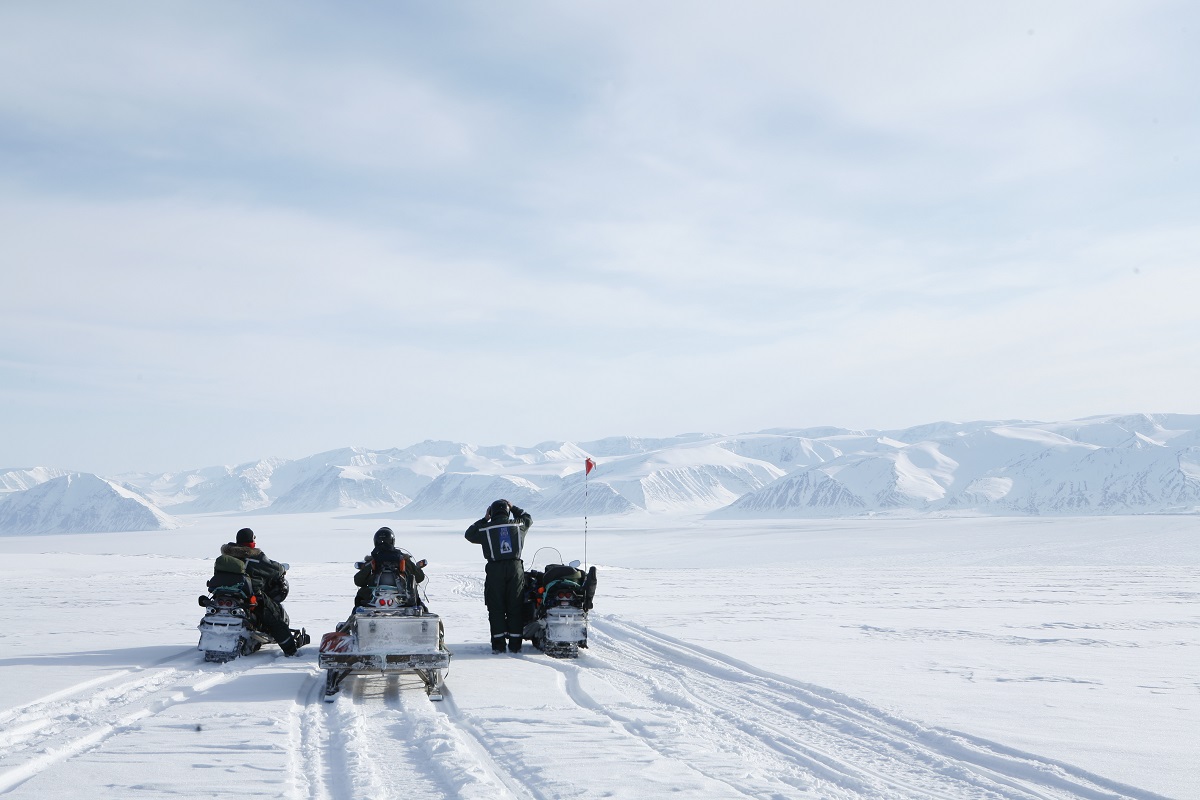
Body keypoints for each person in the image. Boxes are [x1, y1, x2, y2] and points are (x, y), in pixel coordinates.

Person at [220, 527, 307, 656]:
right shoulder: (254, 557)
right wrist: (282, 568)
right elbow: (274, 569)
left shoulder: (227, 556)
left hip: (224, 594)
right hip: (251, 596)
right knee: (276, 618)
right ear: (251, 540)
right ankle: (291, 651)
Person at [464, 499, 532, 653]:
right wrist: (514, 508)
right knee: (515, 606)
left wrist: (484, 519)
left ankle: (499, 645)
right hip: (515, 568)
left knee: (496, 608)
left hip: (495, 569)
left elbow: (469, 534)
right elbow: (528, 518)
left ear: (491, 512)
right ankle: (515, 646)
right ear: (507, 511)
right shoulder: (518, 525)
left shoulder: (486, 528)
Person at [352, 526, 427, 610]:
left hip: (374, 598)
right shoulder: (404, 559)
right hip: (402, 598)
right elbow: (419, 578)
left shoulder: (372, 560)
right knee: (419, 604)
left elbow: (358, 581)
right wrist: (417, 568)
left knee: (360, 598)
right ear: (392, 541)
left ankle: (354, 618)